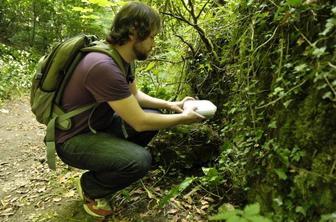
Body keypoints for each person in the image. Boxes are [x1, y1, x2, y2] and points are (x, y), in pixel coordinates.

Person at [55, 1, 204, 218]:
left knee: (155, 116)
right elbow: (139, 122)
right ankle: (91, 186)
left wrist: (172, 105)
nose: (154, 43)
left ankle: (113, 164)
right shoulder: (102, 66)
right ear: (134, 32)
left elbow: (135, 96)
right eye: (152, 36)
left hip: (97, 127)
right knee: (140, 160)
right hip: (73, 140)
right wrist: (183, 118)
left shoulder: (122, 59)